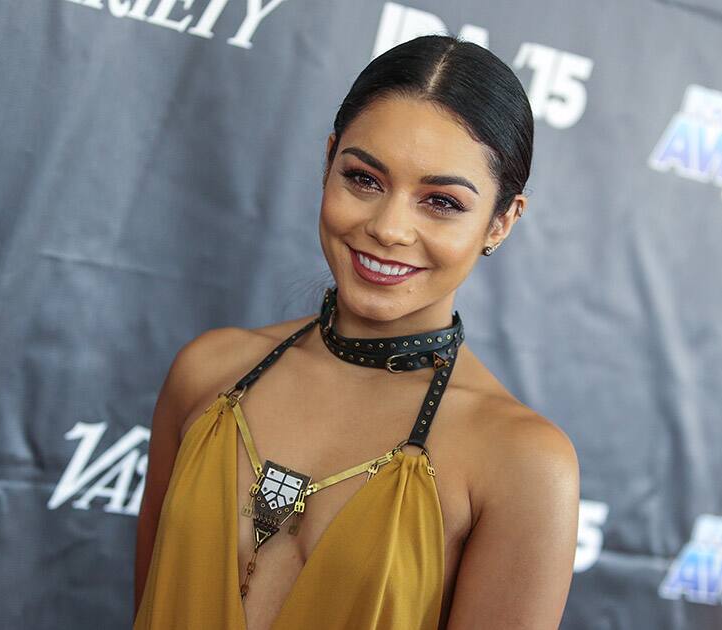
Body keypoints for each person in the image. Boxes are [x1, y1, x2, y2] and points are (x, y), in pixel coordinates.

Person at [133, 34, 580, 630]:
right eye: (365, 179)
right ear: (328, 164)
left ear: (501, 221)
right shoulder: (206, 371)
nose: (389, 228)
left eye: (442, 202)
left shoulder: (524, 462)